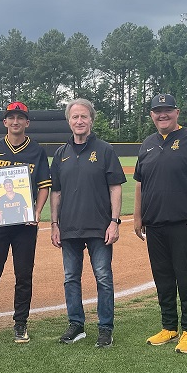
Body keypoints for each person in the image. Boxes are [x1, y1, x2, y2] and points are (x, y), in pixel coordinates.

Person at [134, 92, 187, 354]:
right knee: (162, 277)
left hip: (185, 222)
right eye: (157, 111)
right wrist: (138, 216)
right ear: (152, 115)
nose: (163, 115)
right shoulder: (148, 144)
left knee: (185, 276)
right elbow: (140, 183)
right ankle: (169, 326)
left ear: (177, 112)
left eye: (167, 110)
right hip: (154, 223)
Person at [0, 101, 51, 344]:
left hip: (25, 224)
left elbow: (43, 186)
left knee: (23, 273)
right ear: (5, 122)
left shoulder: (36, 151)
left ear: (27, 122)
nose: (15, 121)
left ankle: (20, 323)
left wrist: (37, 211)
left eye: (20, 117)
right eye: (11, 117)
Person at [50, 98, 126, 349]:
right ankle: (76, 325)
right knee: (71, 278)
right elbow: (56, 192)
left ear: (91, 120)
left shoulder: (104, 150)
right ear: (69, 121)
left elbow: (115, 187)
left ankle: (105, 328)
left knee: (103, 278)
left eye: (84, 116)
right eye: (75, 117)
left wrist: (114, 222)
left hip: (99, 226)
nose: (79, 121)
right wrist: (54, 224)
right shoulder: (61, 154)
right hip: (69, 227)